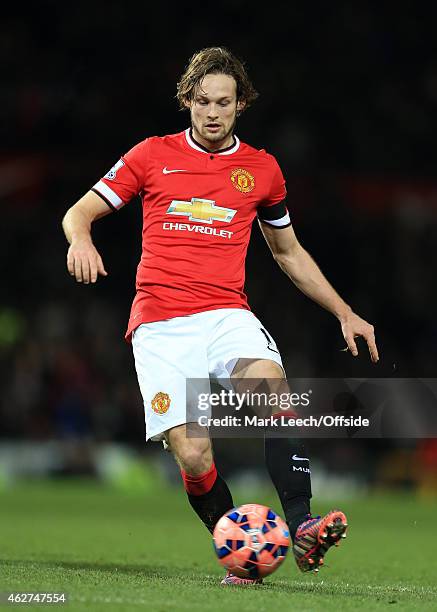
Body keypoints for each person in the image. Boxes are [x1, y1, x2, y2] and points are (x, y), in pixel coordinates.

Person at [62, 47, 379, 585]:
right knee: (192, 454)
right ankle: (243, 557)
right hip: (160, 323)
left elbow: (288, 253)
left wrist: (344, 311)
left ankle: (302, 527)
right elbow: (80, 211)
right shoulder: (151, 155)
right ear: (187, 101)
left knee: (273, 393)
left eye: (224, 103)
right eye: (203, 101)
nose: (213, 112)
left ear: (241, 106)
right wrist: (81, 240)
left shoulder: (262, 170)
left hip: (226, 315)